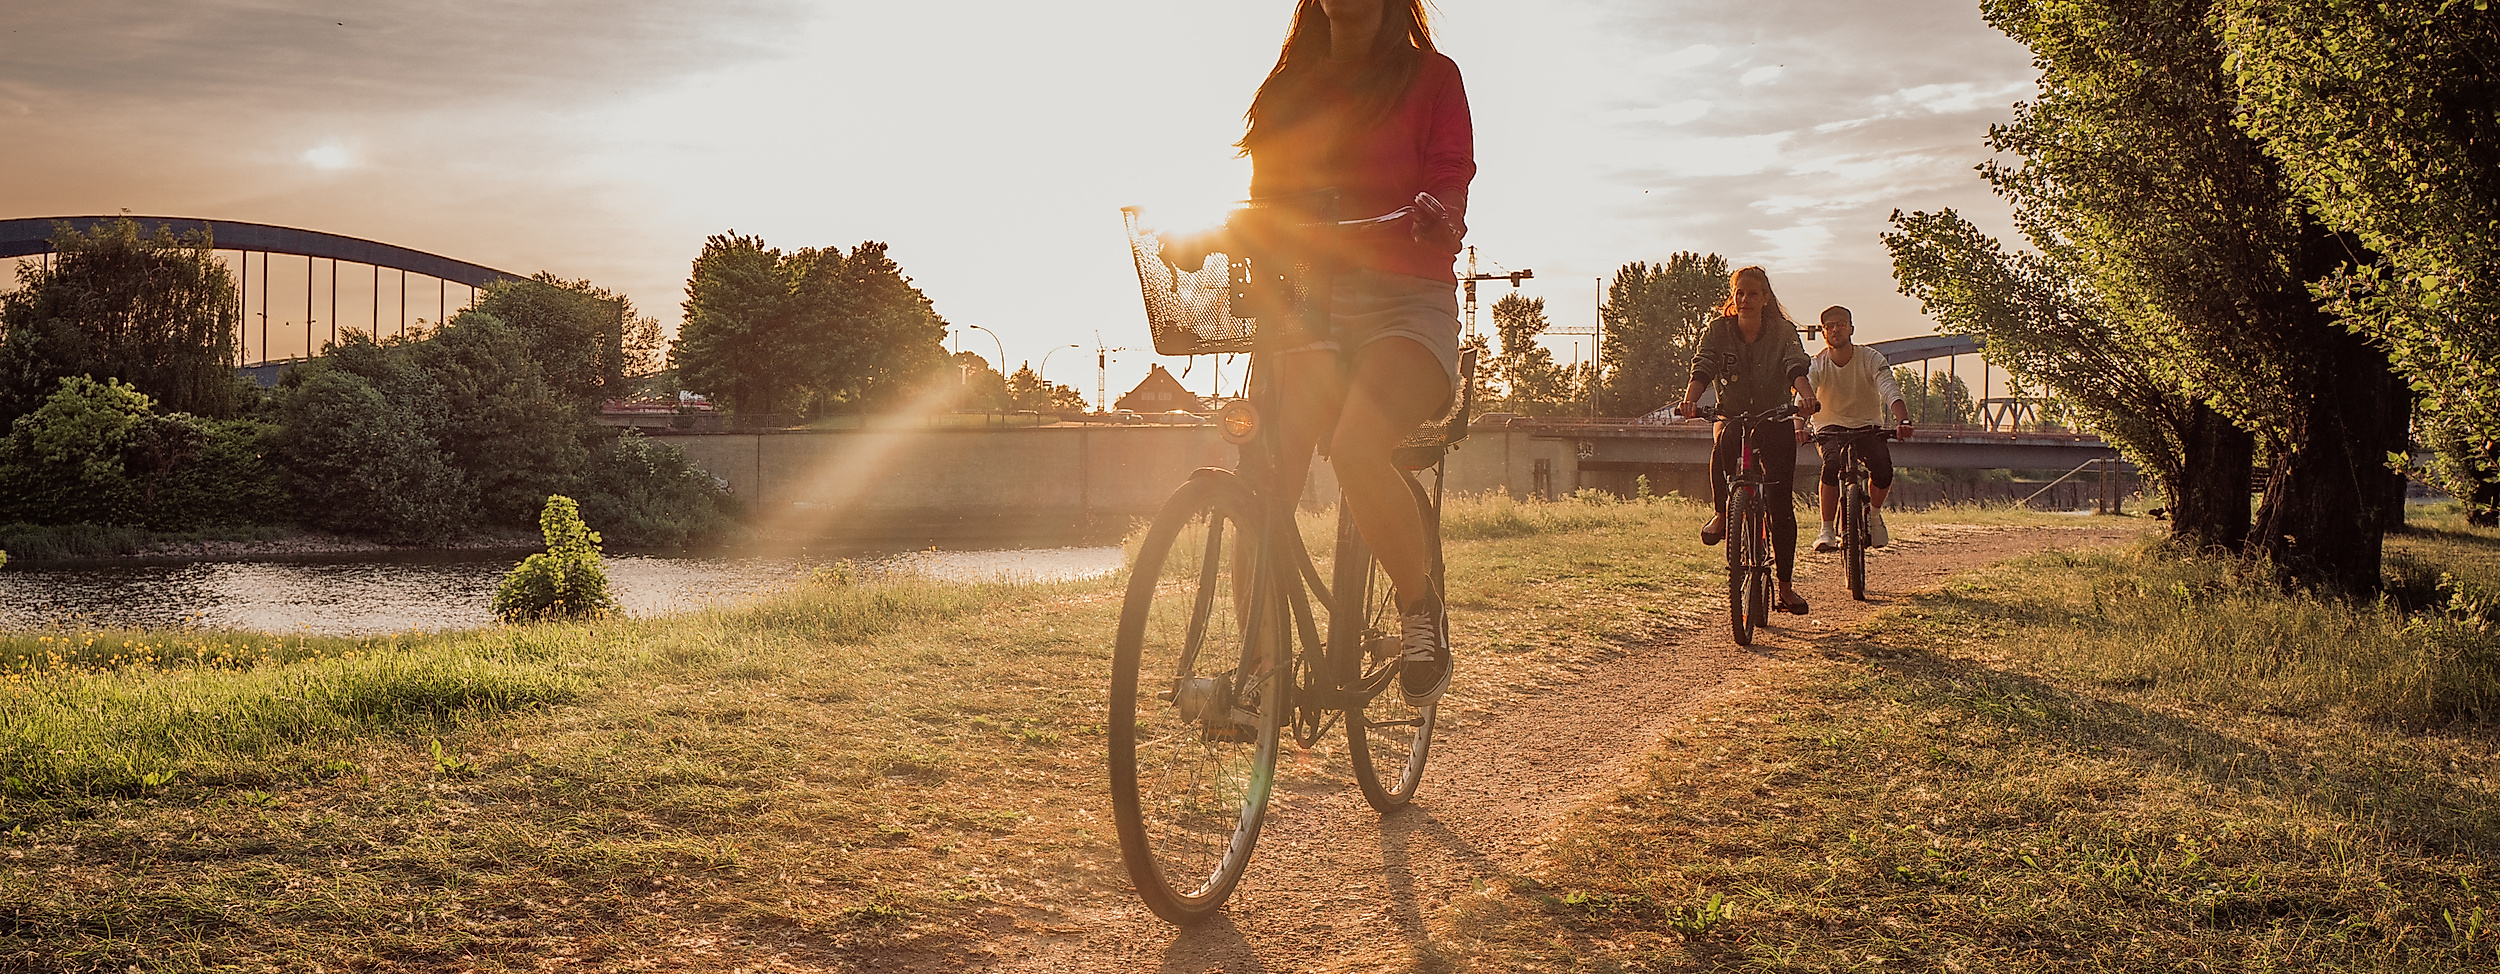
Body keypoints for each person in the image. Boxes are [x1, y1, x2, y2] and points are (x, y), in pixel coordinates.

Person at [1165, 0, 1473, 707]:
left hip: (1406, 303)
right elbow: (1267, 203)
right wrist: (1218, 235)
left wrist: (1439, 209)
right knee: (1263, 476)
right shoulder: (1288, 89)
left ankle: (1418, 610)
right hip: (1309, 305)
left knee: (1359, 447)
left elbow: (1451, 172)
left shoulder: (1433, 79)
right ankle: (1262, 680)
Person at [1675, 266, 1819, 616]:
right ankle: (1723, 514)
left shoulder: (1783, 331)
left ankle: (1784, 588)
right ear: (1733, 296)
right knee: (1723, 439)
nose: (1744, 299)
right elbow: (1704, 366)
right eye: (1739, 293)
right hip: (1735, 413)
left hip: (1775, 415)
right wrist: (1690, 399)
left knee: (1781, 505)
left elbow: (1795, 364)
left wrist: (1807, 396)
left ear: (1765, 298)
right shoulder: (1719, 330)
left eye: (1752, 293)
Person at [1806, 306, 1912, 551]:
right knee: (1831, 466)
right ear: (1823, 332)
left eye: (1841, 324)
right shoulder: (1817, 363)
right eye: (1829, 325)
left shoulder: (1871, 358)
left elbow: (1889, 388)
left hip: (1867, 426)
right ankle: (1827, 530)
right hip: (1829, 426)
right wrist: (1799, 425)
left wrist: (1902, 420)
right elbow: (1805, 396)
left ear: (1852, 328)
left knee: (1883, 471)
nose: (1835, 329)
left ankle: (1873, 517)